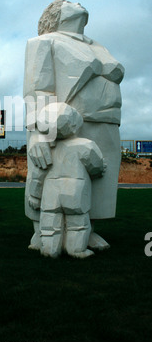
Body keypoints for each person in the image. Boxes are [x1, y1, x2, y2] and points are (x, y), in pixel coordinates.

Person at [24, 0, 124, 253]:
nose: (77, 3)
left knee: (96, 177)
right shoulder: (44, 42)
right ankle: (42, 230)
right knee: (51, 174)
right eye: (67, 2)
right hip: (67, 121)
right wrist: (39, 131)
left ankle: (85, 229)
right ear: (53, 14)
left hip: (106, 119)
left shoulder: (98, 45)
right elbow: (38, 88)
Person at [38, 103, 106, 259]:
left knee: (49, 220)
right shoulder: (85, 145)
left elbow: (40, 171)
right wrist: (100, 169)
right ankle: (76, 250)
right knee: (78, 222)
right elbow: (96, 167)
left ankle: (50, 249)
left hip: (51, 189)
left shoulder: (48, 148)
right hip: (75, 188)